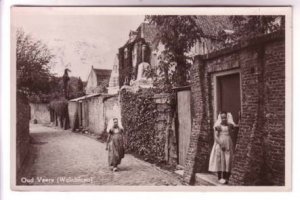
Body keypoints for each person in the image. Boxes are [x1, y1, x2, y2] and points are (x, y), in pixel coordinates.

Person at [208, 111, 235, 184]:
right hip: (220, 143)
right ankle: (220, 177)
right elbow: (216, 137)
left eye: (225, 117)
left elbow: (234, 130)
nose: (224, 119)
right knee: (220, 159)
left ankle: (226, 177)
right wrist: (221, 144)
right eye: (222, 118)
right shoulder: (218, 126)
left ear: (227, 117)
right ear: (220, 118)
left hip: (228, 143)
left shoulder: (229, 125)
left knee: (228, 159)